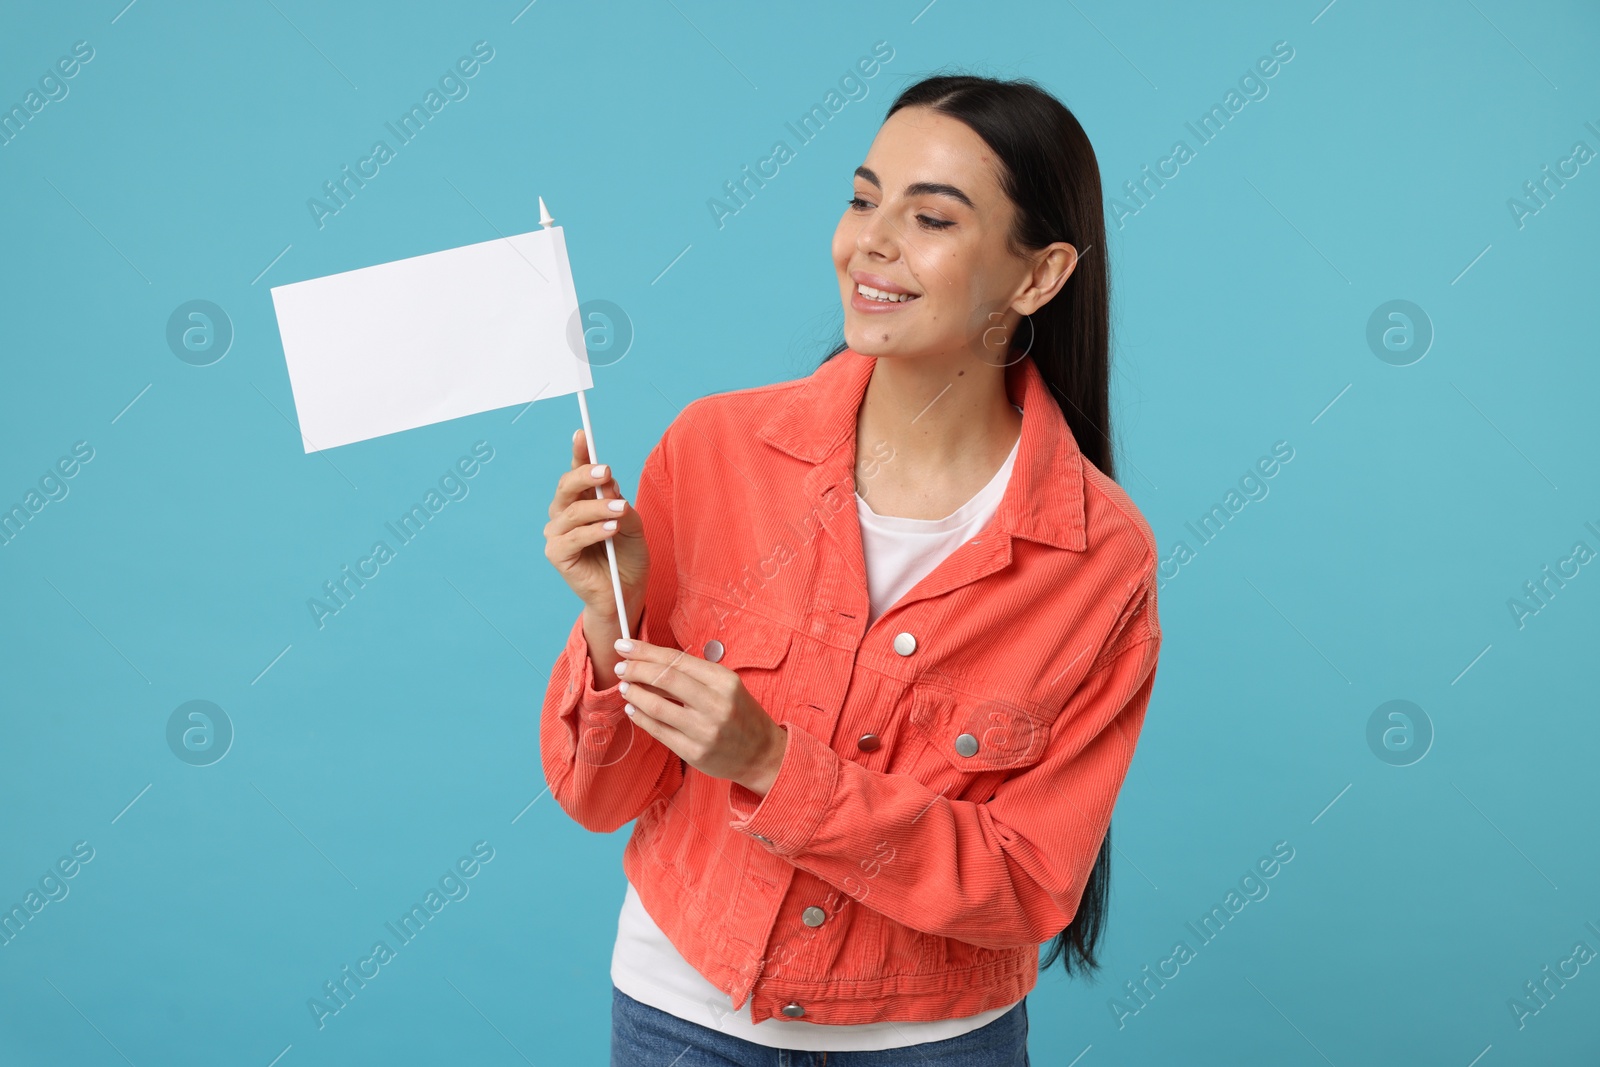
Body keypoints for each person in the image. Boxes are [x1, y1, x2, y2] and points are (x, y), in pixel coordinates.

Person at [541, 71, 1163, 1065]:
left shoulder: (1098, 559)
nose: (870, 241)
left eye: (931, 217)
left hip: (934, 1040)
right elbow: (597, 797)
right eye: (864, 197)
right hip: (680, 1016)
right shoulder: (711, 450)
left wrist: (773, 765)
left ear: (1038, 276)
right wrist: (606, 619)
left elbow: (1027, 883)